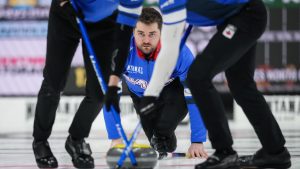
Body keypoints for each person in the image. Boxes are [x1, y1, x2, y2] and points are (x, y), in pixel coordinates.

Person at [105, 0, 292, 169]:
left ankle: (224, 151)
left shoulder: (171, 3)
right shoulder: (164, 5)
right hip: (233, 19)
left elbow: (169, 51)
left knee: (198, 76)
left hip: (246, 14)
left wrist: (151, 94)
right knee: (241, 85)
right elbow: (167, 46)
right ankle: (275, 152)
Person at [32, 0, 140, 168]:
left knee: (100, 91)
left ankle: (76, 139)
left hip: (104, 22)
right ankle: (40, 142)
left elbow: (124, 38)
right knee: (54, 83)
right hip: (67, 13)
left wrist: (113, 81)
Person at [104, 7, 207, 159]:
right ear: (133, 31)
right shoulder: (120, 52)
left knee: (162, 130)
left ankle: (163, 131)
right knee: (162, 145)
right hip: (141, 97)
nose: (146, 40)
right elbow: (110, 97)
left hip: (171, 93)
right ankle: (163, 138)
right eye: (141, 34)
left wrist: (197, 141)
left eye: (152, 34)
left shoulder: (179, 52)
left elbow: (196, 97)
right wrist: (115, 139)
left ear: (161, 33)